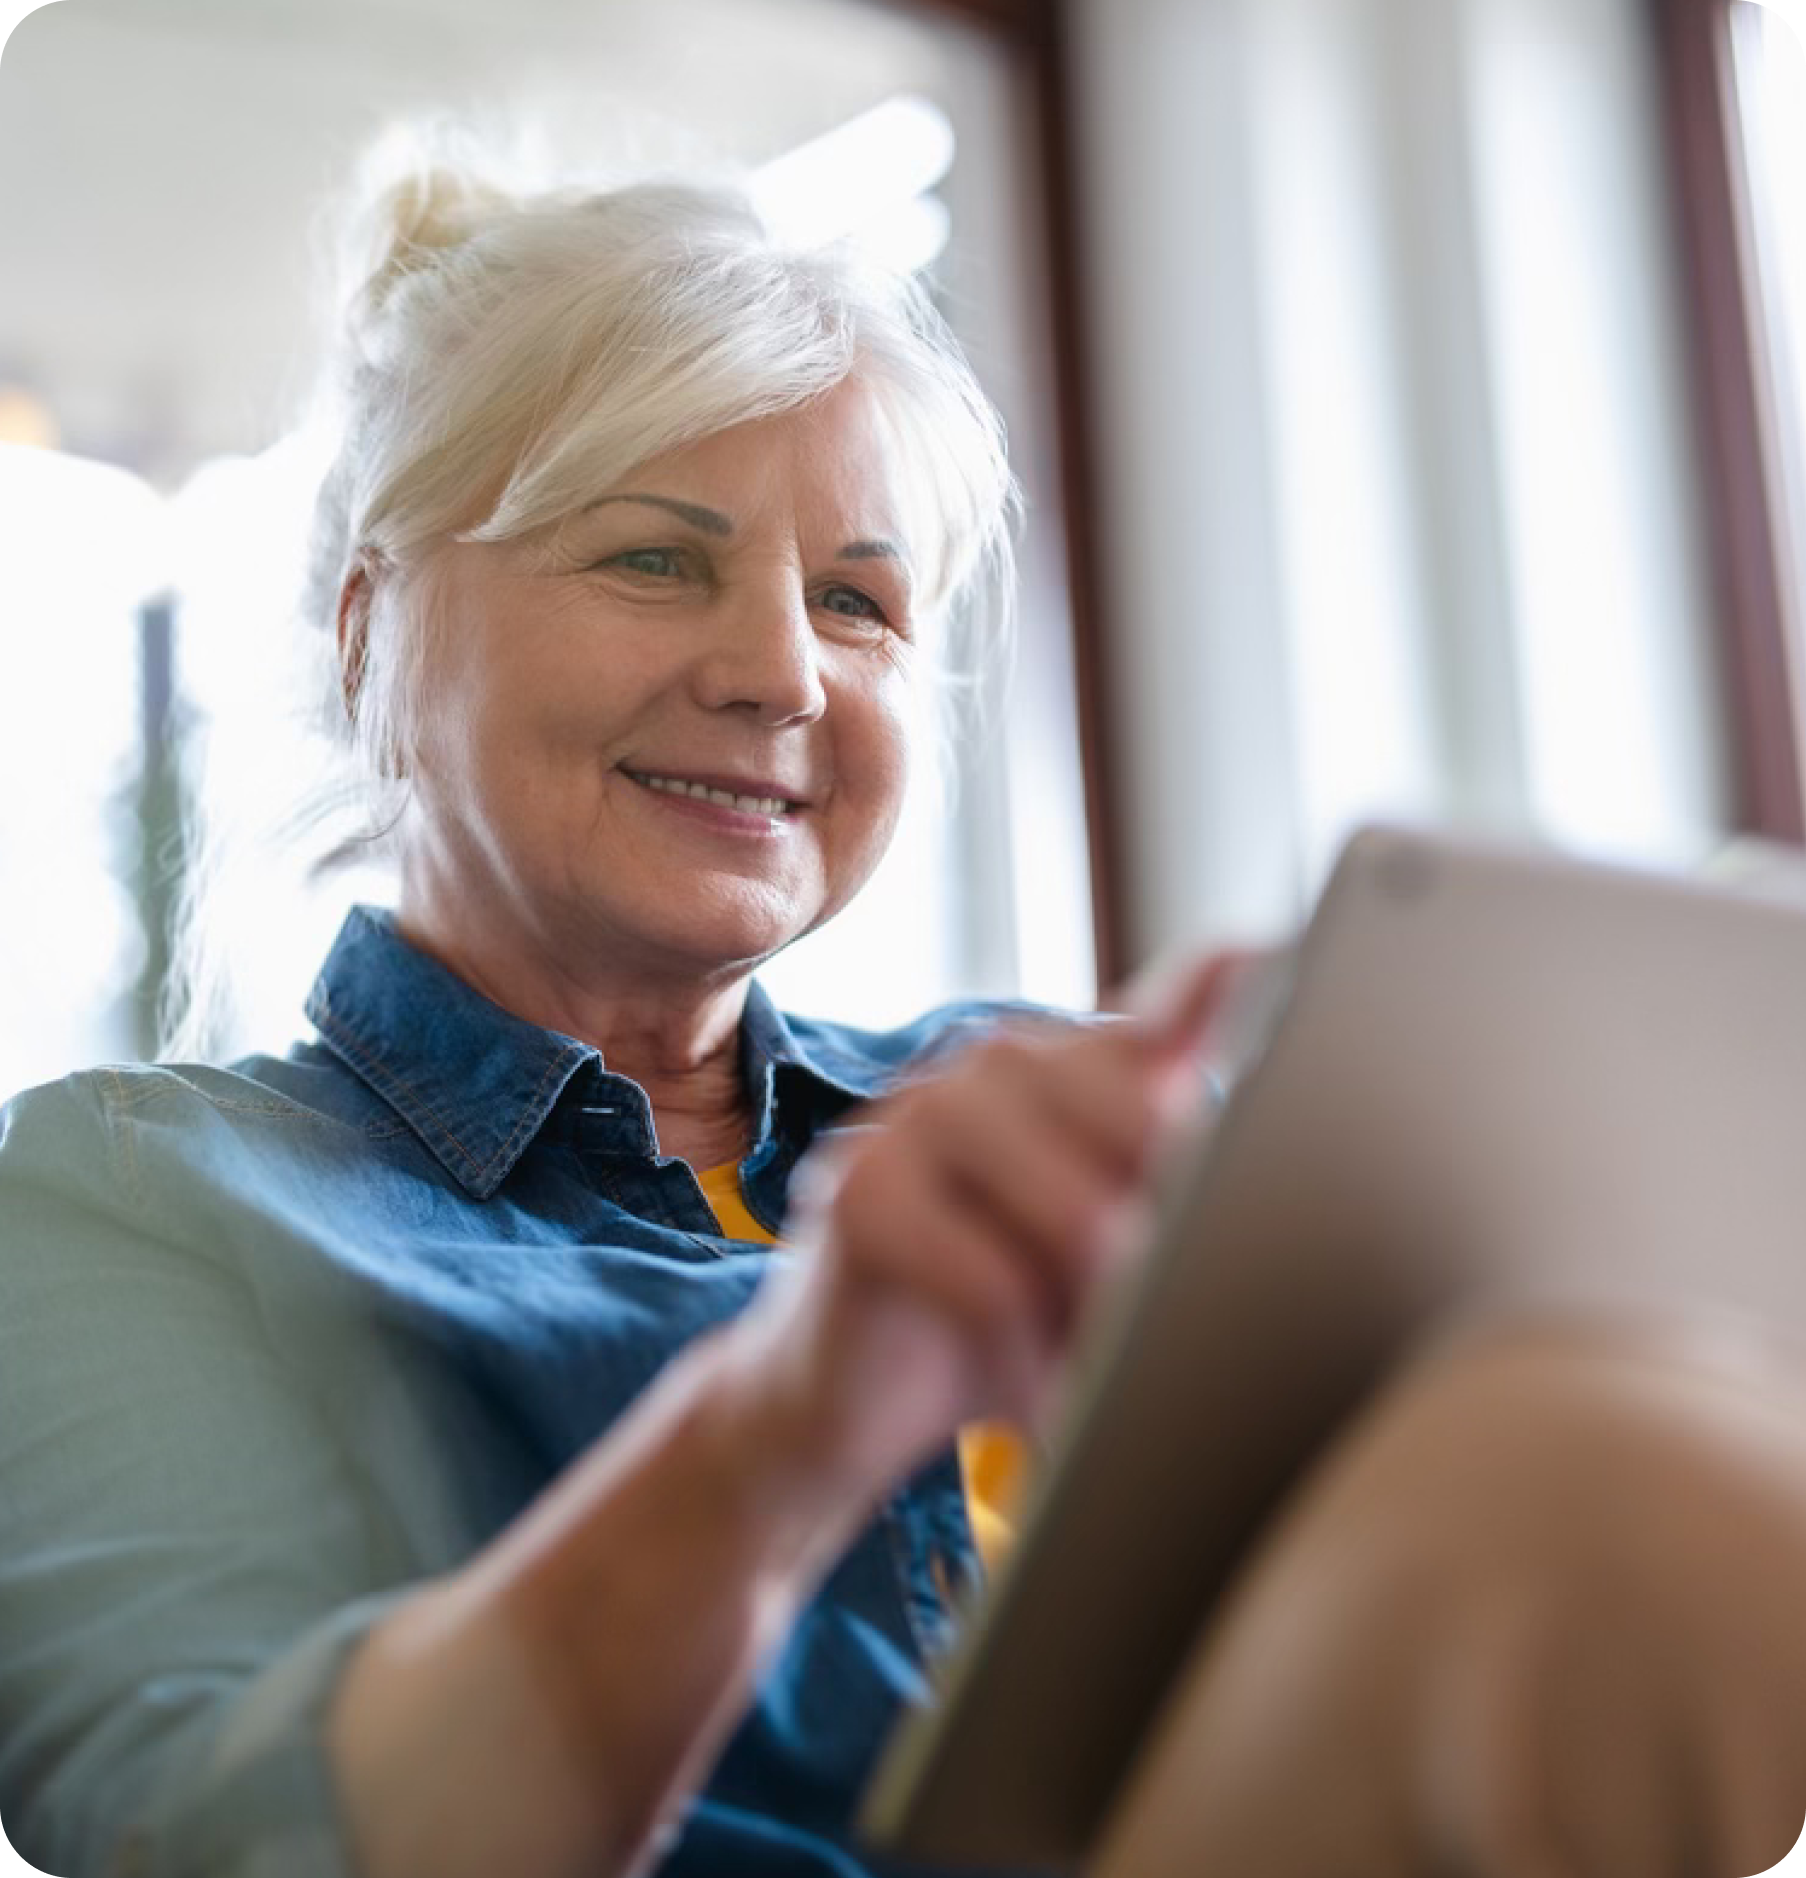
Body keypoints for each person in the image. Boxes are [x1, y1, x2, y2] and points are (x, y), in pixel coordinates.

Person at [0, 142, 1801, 1878]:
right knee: (1606, 1493)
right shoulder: (139, 1194)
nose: (781, 670)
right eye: (652, 557)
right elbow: (203, 1840)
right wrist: (785, 1424)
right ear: (365, 631)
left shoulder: (1028, 1106)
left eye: (856, 600)